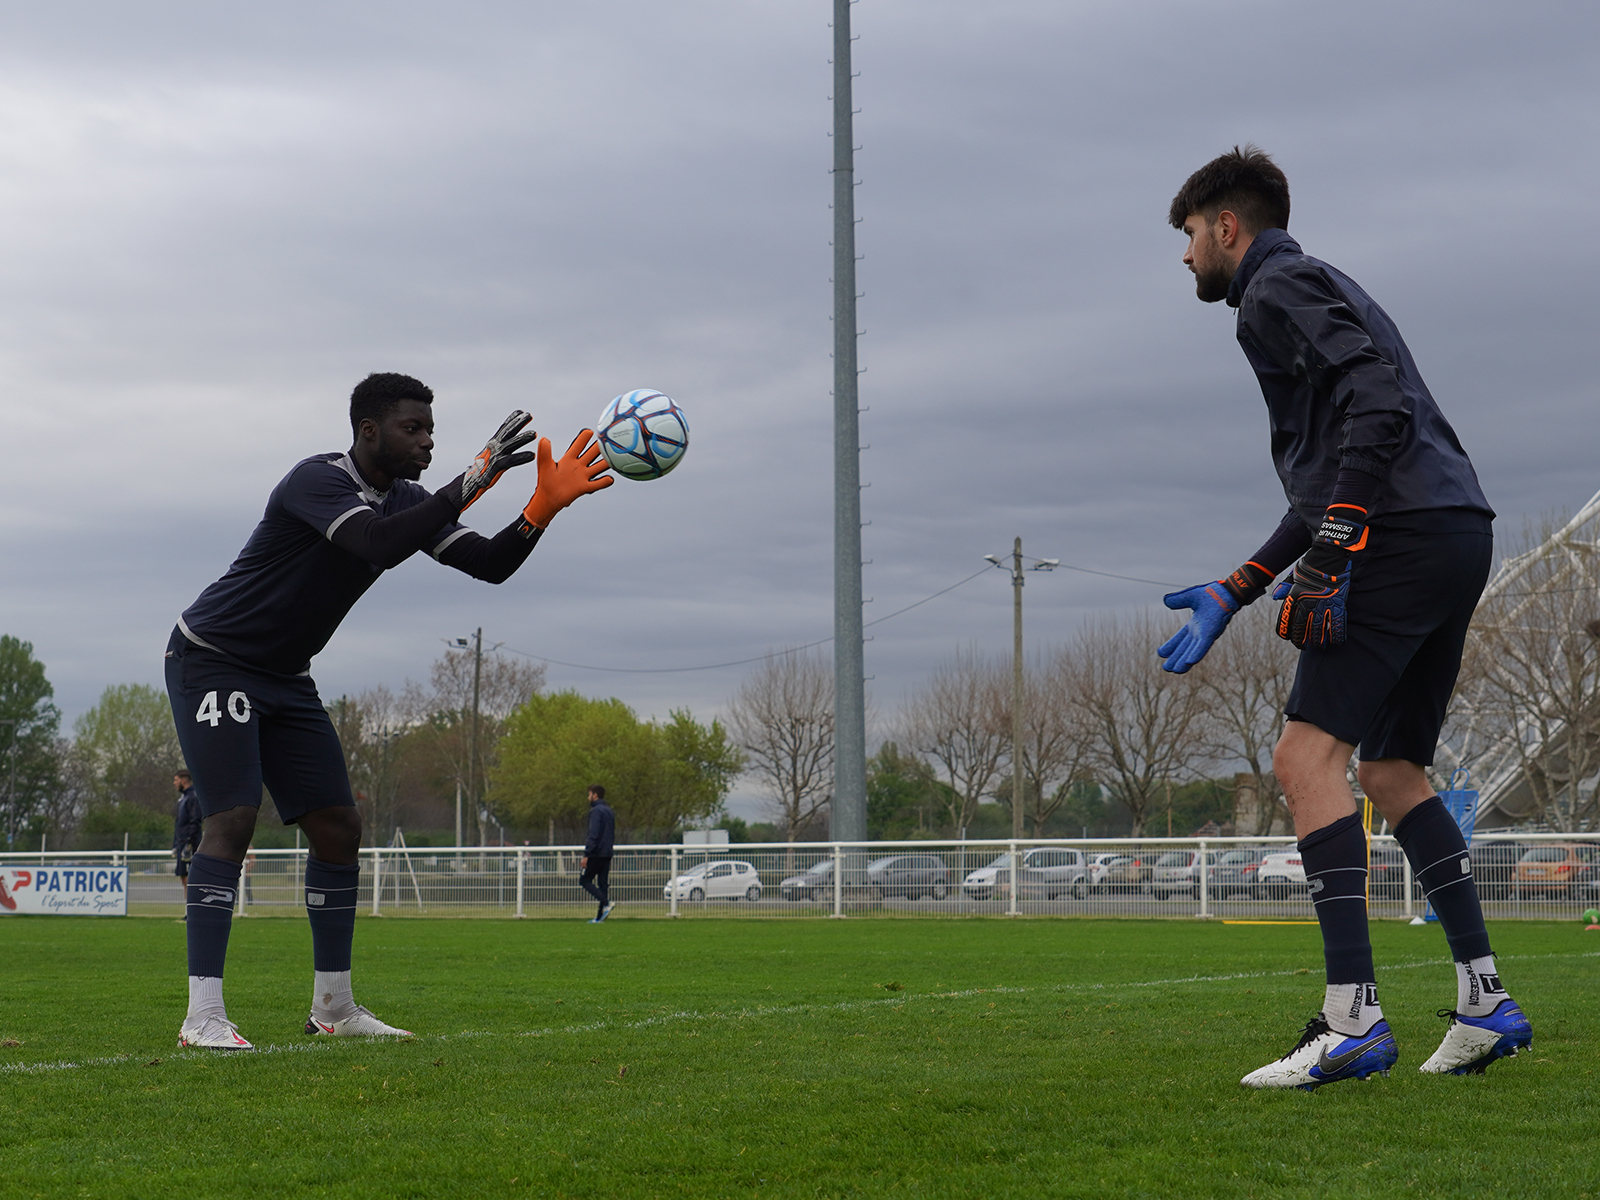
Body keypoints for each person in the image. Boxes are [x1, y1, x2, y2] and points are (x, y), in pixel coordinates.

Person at [1158, 147, 1531, 1089]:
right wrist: (1237, 588)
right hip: (1454, 528)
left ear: (1226, 228)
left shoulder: (1274, 289)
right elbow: (1340, 462)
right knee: (1393, 770)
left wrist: (1336, 546)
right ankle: (1486, 1004)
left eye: (1191, 236)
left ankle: (1351, 1018)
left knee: (1303, 759)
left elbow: (1376, 405)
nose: (1187, 256)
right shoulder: (1314, 283)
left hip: (1401, 531)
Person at [164, 372, 612, 1050]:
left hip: (285, 676)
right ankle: (202, 1018)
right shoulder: (316, 480)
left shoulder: (405, 500)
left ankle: (334, 1010)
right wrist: (470, 482)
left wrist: (538, 512)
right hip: (214, 658)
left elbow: (489, 564)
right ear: (369, 431)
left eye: (432, 429)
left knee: (340, 826)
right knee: (230, 816)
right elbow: (375, 544)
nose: (428, 441)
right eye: (414, 428)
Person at [578, 784, 616, 923]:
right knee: (602, 884)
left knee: (584, 880)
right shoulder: (609, 811)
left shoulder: (596, 811)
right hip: (607, 852)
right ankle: (600, 917)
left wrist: (587, 854)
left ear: (595, 795)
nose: (588, 797)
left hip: (596, 853)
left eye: (589, 795)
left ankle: (606, 903)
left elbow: (593, 834)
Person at [172, 770, 202, 909]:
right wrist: (175, 844)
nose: (174, 783)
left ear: (184, 781)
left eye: (176, 780)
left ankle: (194, 910)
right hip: (181, 843)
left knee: (191, 878)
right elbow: (179, 823)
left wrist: (189, 843)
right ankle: (189, 909)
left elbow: (195, 821)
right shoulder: (182, 799)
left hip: (189, 845)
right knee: (183, 877)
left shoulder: (193, 797)